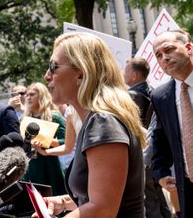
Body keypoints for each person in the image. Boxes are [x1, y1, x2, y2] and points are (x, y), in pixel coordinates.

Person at [36, 32, 145, 218]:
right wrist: (64, 202)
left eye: (53, 67)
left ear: (81, 74)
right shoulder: (95, 120)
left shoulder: (103, 122)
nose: (47, 75)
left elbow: (102, 209)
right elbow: (104, 194)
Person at [151, 29, 193, 218]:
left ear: (189, 48)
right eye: (158, 55)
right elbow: (160, 138)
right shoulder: (160, 96)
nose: (164, 58)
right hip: (187, 188)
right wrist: (160, 173)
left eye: (168, 50)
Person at [123, 58, 172, 218]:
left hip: (142, 152)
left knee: (150, 200)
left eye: (126, 70)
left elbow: (132, 125)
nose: (123, 74)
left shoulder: (131, 95)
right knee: (158, 196)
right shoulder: (153, 90)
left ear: (135, 76)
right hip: (155, 151)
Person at [22, 82, 66, 196]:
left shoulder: (54, 116)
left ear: (41, 96)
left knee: (55, 201)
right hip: (31, 165)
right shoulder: (24, 118)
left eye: (32, 94)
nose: (28, 97)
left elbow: (66, 141)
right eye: (27, 95)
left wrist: (45, 140)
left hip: (49, 164)